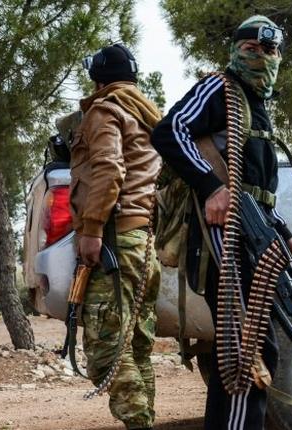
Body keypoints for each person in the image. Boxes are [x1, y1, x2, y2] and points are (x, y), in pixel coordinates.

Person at [151, 15, 292, 430]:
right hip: (222, 237)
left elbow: (256, 193)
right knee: (249, 352)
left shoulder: (256, 106)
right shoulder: (218, 88)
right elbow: (170, 131)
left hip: (252, 235)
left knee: (242, 351)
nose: (261, 57)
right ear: (236, 51)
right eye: (251, 50)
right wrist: (209, 187)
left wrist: (287, 236)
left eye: (270, 50)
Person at [69, 43, 162, 430]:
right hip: (142, 243)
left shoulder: (105, 110)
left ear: (98, 77)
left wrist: (91, 230)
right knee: (136, 348)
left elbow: (108, 168)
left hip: (114, 241)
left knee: (109, 349)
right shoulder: (147, 114)